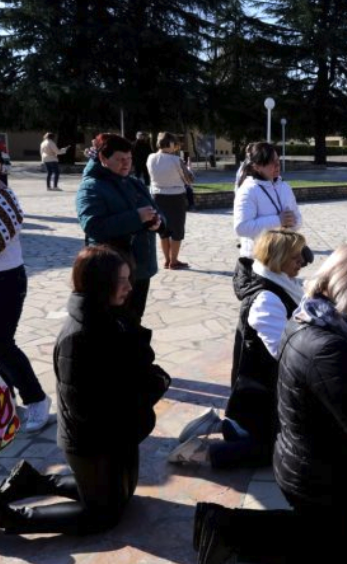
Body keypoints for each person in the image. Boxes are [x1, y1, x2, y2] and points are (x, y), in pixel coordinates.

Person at [194, 244, 347, 564]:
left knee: (315, 538)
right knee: (325, 546)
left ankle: (220, 527)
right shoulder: (329, 345)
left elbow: (329, 392)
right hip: (318, 474)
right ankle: (223, 528)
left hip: (306, 461)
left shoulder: (309, 317)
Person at [0, 246, 170, 535]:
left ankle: (33, 482)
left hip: (115, 430)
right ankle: (14, 519)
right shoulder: (78, 338)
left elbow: (134, 361)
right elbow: (85, 410)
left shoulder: (110, 314)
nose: (130, 287)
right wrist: (141, 393)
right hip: (90, 441)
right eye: (122, 280)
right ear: (101, 283)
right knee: (104, 517)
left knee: (123, 499)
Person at [169, 230, 309, 468]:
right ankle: (201, 453)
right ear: (277, 258)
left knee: (287, 441)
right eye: (295, 256)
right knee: (278, 451)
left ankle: (223, 426)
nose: (302, 261)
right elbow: (282, 349)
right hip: (259, 393)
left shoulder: (281, 285)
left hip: (262, 391)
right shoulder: (267, 298)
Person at [76, 133, 167, 320]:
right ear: (103, 158)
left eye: (129, 158)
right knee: (114, 327)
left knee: (134, 323)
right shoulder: (91, 187)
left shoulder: (134, 182)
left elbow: (156, 210)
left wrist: (158, 223)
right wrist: (136, 217)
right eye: (120, 159)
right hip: (112, 272)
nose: (127, 164)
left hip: (141, 269)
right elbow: (93, 226)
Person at [0, 184, 51, 432]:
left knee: (2, 343)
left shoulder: (2, 194)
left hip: (7, 280)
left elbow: (3, 233)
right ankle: (6, 398)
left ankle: (36, 399)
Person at [233, 142, 301, 300]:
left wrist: (293, 222)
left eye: (278, 160)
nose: (277, 165)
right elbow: (241, 227)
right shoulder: (248, 190)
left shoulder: (284, 187)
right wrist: (278, 220)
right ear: (257, 166)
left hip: (283, 260)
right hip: (258, 263)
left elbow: (297, 219)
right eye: (272, 162)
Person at [147, 132, 190, 270]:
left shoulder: (151, 157)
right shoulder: (175, 160)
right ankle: (174, 260)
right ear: (171, 144)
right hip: (175, 196)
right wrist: (188, 168)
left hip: (157, 195)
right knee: (177, 230)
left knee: (163, 230)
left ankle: (166, 260)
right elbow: (189, 179)